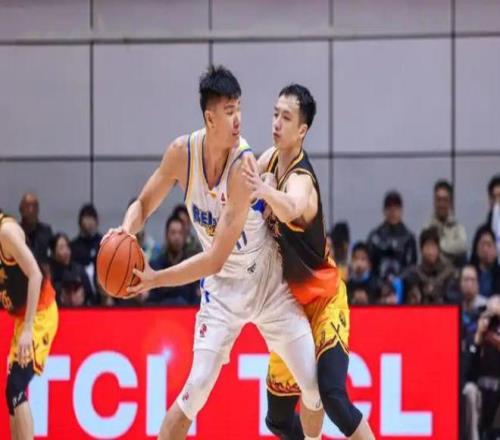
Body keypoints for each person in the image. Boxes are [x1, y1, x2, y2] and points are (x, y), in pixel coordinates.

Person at [105, 66, 323, 440]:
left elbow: (213, 258)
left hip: (267, 280)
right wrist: (126, 230)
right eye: (229, 111)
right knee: (194, 391)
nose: (238, 120)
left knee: (314, 386)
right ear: (210, 118)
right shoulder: (181, 154)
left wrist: (156, 279)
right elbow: (142, 204)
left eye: (239, 109)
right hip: (223, 292)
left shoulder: (243, 166)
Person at [244, 84, 374, 439]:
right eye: (275, 114)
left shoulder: (301, 180)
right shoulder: (270, 159)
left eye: (286, 118)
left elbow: (292, 207)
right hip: (289, 307)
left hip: (323, 302)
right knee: (277, 420)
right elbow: (239, 179)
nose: (276, 122)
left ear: (302, 130)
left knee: (332, 396)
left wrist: (264, 191)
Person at [0, 211, 58, 439]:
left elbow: (35, 274)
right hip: (22, 318)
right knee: (11, 393)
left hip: (39, 314)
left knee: (16, 386)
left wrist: (27, 330)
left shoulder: (6, 233)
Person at [424, 180, 467, 267]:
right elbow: (427, 256)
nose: (441, 204)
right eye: (438, 200)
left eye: (445, 200)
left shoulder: (458, 227)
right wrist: (452, 252)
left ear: (450, 203)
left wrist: (439, 244)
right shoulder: (427, 228)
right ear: (434, 202)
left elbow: (462, 246)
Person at [18, 193, 53, 268]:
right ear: (21, 209)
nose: (31, 210)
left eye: (35, 206)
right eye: (28, 206)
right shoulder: (15, 231)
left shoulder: (46, 231)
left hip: (42, 272)